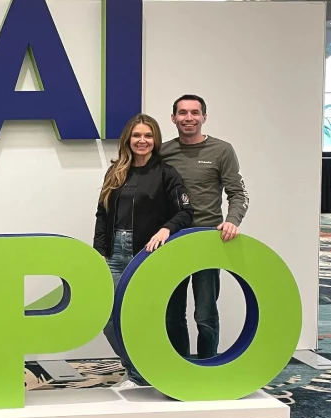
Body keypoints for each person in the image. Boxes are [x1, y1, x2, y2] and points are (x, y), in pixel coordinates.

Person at [94, 113, 194, 388]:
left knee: (144, 317)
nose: (142, 140)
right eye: (137, 135)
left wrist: (165, 229)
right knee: (108, 317)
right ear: (128, 138)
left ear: (155, 140)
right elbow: (102, 214)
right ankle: (137, 370)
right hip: (115, 253)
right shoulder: (116, 172)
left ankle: (146, 374)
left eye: (148, 136)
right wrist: (99, 249)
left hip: (146, 254)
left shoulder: (166, 173)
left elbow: (186, 211)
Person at [160, 94, 250, 361]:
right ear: (173, 118)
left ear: (204, 117)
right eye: (183, 113)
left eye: (195, 113)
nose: (189, 118)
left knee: (205, 313)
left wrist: (232, 220)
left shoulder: (222, 150)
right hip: (173, 241)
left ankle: (208, 365)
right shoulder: (163, 152)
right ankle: (179, 366)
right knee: (172, 313)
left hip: (207, 241)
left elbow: (238, 193)